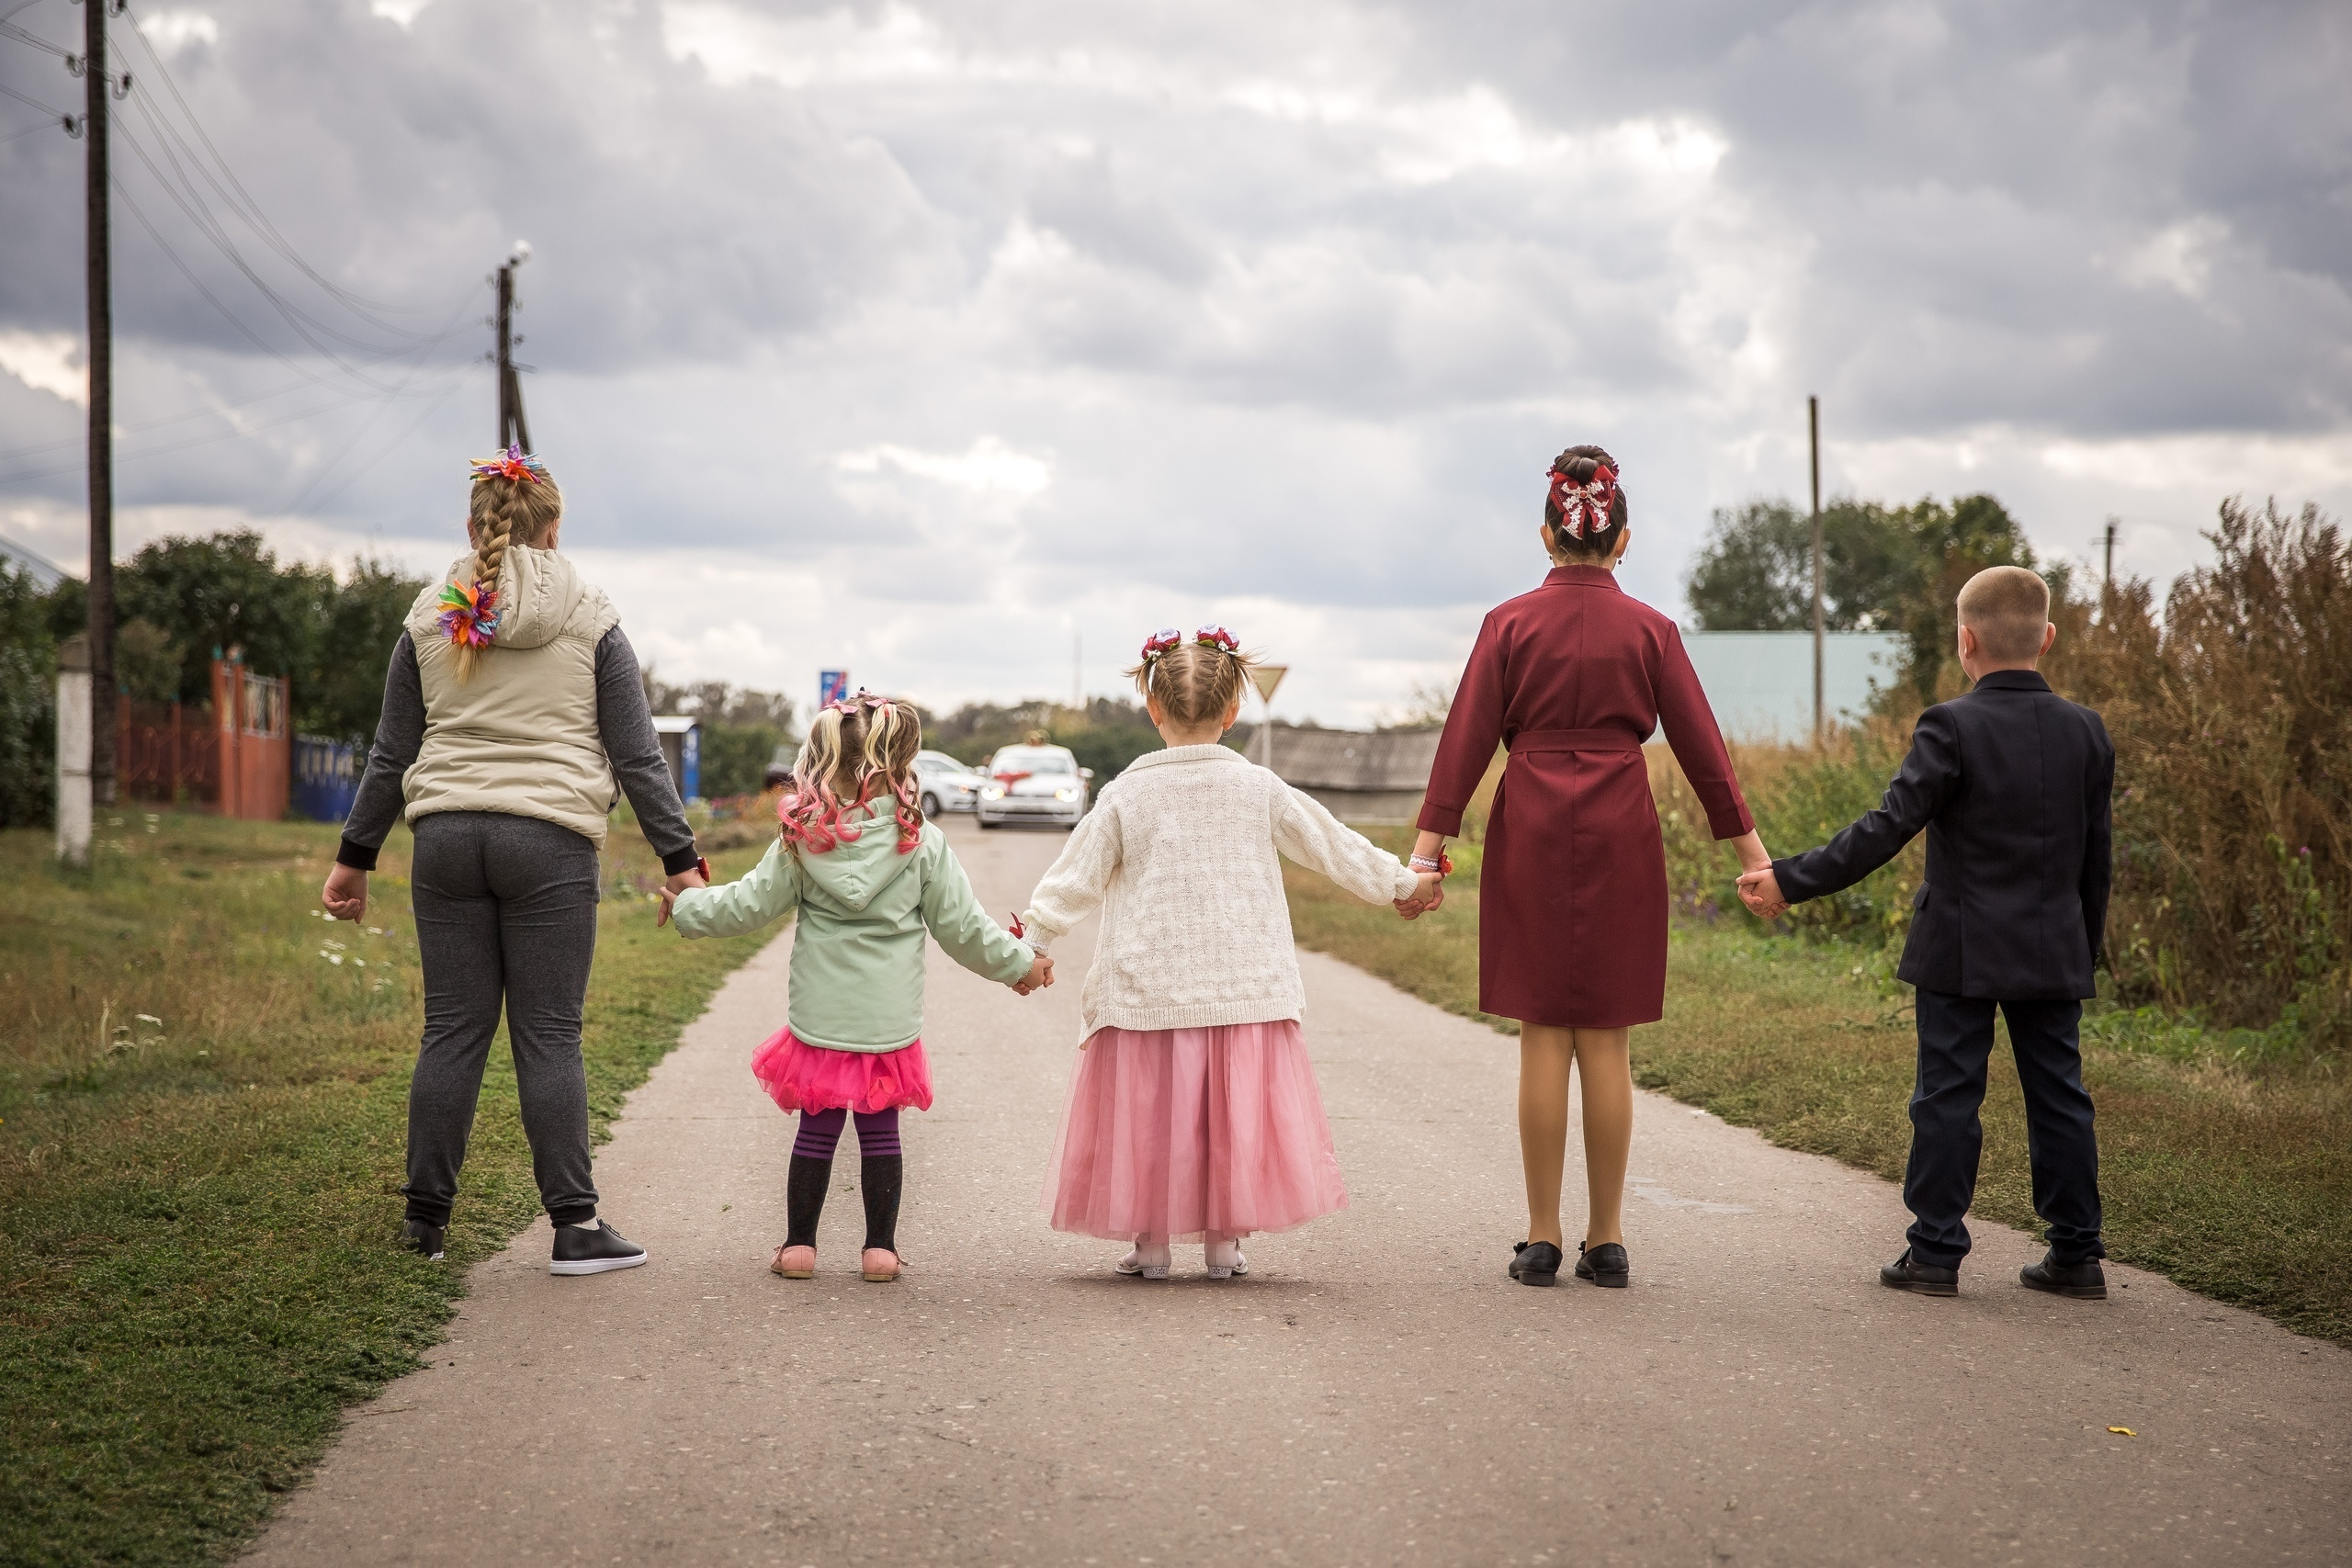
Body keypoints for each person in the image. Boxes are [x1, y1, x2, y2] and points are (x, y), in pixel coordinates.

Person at [321, 445, 707, 1277]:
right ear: (556, 529)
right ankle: (574, 1226)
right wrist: (681, 862)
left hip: (447, 840)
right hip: (551, 842)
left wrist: (354, 859)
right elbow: (638, 757)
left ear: (472, 526)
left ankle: (425, 1224)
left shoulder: (429, 615)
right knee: (550, 1034)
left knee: (452, 1030)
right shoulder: (593, 616)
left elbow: (391, 755)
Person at [1412, 446, 1773, 1289]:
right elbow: (1703, 752)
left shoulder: (1507, 623)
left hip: (1532, 822)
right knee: (1604, 1037)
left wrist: (1425, 855)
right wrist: (1753, 857)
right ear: (1623, 540)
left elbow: (1462, 743)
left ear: (1547, 534)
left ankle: (1541, 1237)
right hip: (1620, 826)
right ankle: (1605, 1239)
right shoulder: (1653, 630)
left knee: (1544, 1032)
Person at [1017, 626, 1442, 1280]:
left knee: (1154, 1119)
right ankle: (1223, 1246)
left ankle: (1152, 1246)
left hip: (1148, 991)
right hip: (1243, 983)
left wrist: (1033, 944)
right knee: (1226, 1118)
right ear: (1234, 710)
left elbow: (1073, 876)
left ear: (1152, 708)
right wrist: (1402, 883)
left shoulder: (1127, 792)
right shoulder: (1258, 786)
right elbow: (1330, 844)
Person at [1737, 566, 2115, 1301]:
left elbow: (1887, 828)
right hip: (2053, 946)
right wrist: (2082, 945)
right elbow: (2095, 859)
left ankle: (1936, 1250)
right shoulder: (2086, 731)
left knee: (1947, 1095)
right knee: (2060, 1095)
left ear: (1965, 639)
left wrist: (1791, 877)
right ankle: (2076, 1253)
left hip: (1961, 946)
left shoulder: (1952, 724)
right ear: (2048, 636)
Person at [663, 692, 1051, 1283]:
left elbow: (745, 905)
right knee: (881, 1132)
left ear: (824, 763)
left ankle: (799, 1248)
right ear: (899, 766)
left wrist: (688, 906)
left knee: (815, 1130)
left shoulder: (802, 838)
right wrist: (1019, 964)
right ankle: (879, 1251)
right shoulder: (920, 843)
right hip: (887, 1022)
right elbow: (964, 928)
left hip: (820, 1019)